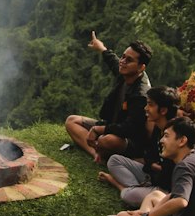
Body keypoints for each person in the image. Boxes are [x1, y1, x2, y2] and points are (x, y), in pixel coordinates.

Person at [64, 31, 151, 163]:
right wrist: (101, 48)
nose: (122, 62)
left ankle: (106, 152)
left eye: (129, 60)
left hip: (130, 139)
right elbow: (113, 61)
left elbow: (130, 128)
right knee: (71, 121)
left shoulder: (141, 95)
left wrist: (99, 129)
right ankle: (96, 154)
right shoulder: (126, 73)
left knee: (107, 140)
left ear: (141, 67)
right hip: (112, 124)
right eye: (123, 57)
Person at [100, 85, 179, 207]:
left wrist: (156, 167)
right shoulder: (157, 128)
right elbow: (149, 155)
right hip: (152, 177)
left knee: (127, 196)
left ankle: (119, 185)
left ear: (163, 110)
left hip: (164, 189)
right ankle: (136, 188)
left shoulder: (175, 135)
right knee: (114, 160)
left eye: (150, 105)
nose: (146, 108)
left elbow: (171, 173)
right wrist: (151, 164)